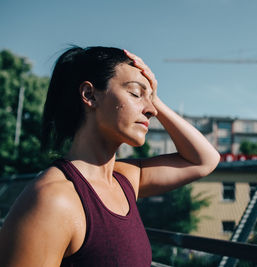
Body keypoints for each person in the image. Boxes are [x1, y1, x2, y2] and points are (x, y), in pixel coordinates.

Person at [0, 46, 220, 266]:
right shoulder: (52, 200)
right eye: (135, 93)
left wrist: (155, 98)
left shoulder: (124, 180)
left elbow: (204, 160)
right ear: (90, 95)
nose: (151, 110)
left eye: (150, 99)